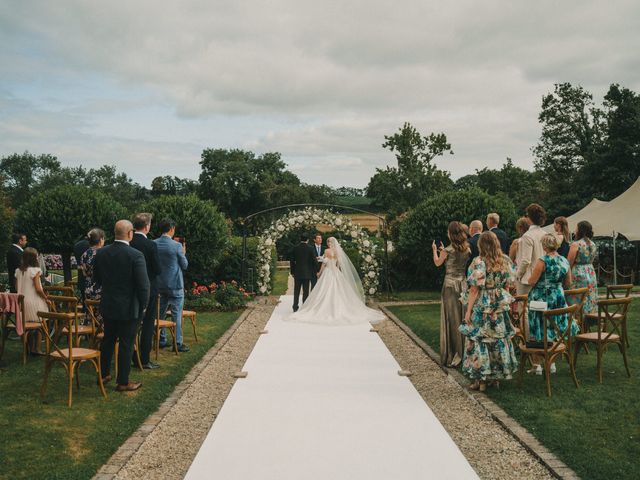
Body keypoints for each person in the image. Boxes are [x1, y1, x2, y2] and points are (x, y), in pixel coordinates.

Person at [95, 220, 150, 391]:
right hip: (129, 307)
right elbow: (143, 285)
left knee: (108, 340)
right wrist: (144, 305)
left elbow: (97, 279)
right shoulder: (135, 255)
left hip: (109, 304)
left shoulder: (102, 253)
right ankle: (123, 382)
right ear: (130, 233)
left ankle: (104, 374)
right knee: (126, 343)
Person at [459, 232, 518, 391]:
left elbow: (473, 289)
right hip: (499, 304)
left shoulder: (478, 262)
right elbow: (508, 285)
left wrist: (468, 311)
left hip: (482, 304)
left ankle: (481, 380)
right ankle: (495, 378)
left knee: (479, 339)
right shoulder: (505, 260)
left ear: (480, 245)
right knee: (497, 340)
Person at [287, 237, 385, 325]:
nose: (328, 243)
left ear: (329, 243)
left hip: (328, 272)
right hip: (335, 273)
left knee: (323, 290)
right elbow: (338, 264)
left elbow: (324, 264)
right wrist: (336, 270)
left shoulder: (326, 251)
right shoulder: (338, 251)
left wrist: (319, 273)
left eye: (328, 241)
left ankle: (307, 307)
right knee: (339, 291)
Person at [526, 233, 577, 375]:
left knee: (539, 328)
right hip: (558, 297)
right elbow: (568, 283)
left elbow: (532, 281)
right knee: (553, 328)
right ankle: (552, 363)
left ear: (544, 246)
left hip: (541, 298)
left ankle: (537, 365)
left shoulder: (543, 260)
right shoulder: (564, 261)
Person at [431, 221, 469, 367]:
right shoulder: (467, 249)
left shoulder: (448, 250)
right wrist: (443, 251)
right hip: (463, 284)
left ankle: (453, 352)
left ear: (451, 233)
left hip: (450, 285)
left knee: (451, 318)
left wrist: (435, 250)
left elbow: (437, 263)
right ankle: (464, 351)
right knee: (462, 317)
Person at [130, 213, 162, 369]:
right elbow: (157, 269)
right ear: (147, 226)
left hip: (130, 289)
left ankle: (131, 354)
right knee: (148, 324)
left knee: (132, 323)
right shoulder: (150, 245)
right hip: (148, 288)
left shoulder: (128, 242)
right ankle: (144, 358)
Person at [155, 218, 189, 353]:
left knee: (160, 313)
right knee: (176, 314)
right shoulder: (177, 246)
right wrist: (184, 254)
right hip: (175, 285)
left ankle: (162, 340)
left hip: (159, 284)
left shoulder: (153, 244)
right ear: (171, 229)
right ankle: (178, 342)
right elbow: (184, 265)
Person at [15, 247, 49, 354]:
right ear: (34, 258)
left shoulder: (18, 271)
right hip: (34, 301)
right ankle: (37, 348)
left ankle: (28, 348)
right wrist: (46, 298)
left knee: (26, 325)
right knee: (40, 324)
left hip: (22, 302)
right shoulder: (35, 271)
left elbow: (16, 287)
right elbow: (38, 289)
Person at [566, 221, 598, 316]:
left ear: (580, 230)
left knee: (576, 297)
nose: (575, 230)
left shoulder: (576, 244)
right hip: (590, 272)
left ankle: (578, 319)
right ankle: (589, 317)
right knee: (589, 295)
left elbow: (568, 262)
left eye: (576, 228)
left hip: (578, 272)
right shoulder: (592, 244)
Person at [515, 203, 547, 295]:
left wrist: (518, 275)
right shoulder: (545, 233)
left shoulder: (527, 236)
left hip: (527, 279)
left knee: (523, 307)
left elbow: (526, 260)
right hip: (542, 276)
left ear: (529, 217)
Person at [290, 235, 317, 312]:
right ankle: (304, 307)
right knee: (306, 291)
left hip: (297, 272)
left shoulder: (295, 248)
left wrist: (292, 272)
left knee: (296, 290)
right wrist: (316, 270)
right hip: (307, 273)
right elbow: (314, 261)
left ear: (300, 239)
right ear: (307, 240)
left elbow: (292, 261)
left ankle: (295, 306)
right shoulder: (311, 248)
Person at [79, 228, 106, 301]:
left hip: (88, 290)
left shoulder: (84, 255)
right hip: (102, 291)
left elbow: (84, 273)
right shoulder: (104, 254)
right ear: (101, 240)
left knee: (91, 312)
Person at [73, 233, 91, 303]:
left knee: (84, 297)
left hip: (80, 274)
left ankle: (84, 309)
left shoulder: (77, 245)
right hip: (90, 275)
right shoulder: (91, 246)